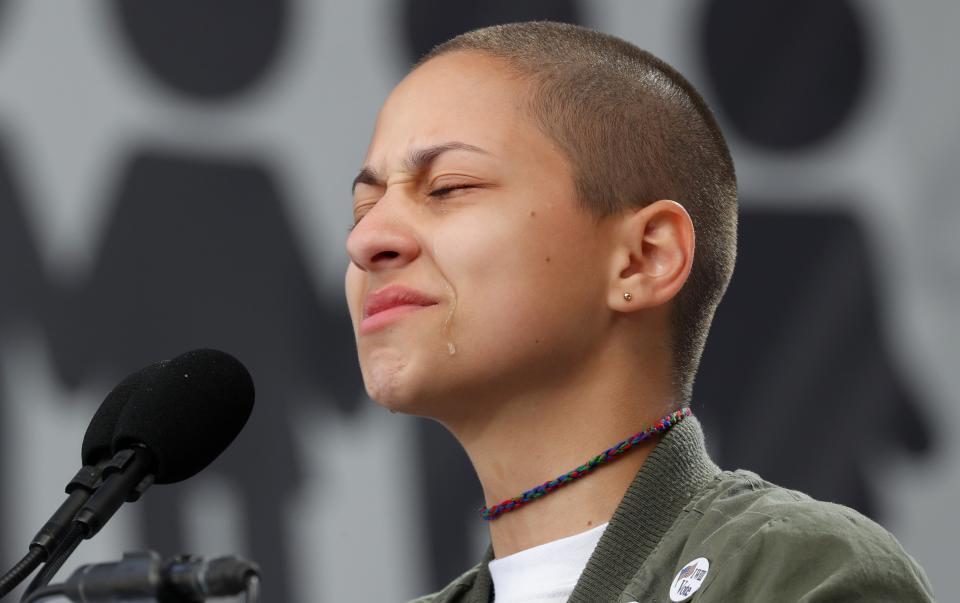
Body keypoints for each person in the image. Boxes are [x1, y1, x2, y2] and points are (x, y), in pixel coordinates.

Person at [344, 21, 935, 603]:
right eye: (363, 208)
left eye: (448, 187)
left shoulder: (798, 574)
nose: (366, 240)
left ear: (644, 258)